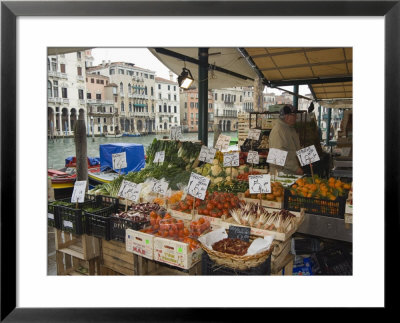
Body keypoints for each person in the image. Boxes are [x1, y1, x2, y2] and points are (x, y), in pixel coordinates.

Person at [268, 104, 304, 175]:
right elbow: (277, 156)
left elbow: (295, 147)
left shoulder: (290, 128)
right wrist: (295, 168)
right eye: (294, 115)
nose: (296, 117)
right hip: (282, 174)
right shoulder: (278, 131)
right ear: (287, 117)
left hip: (290, 172)